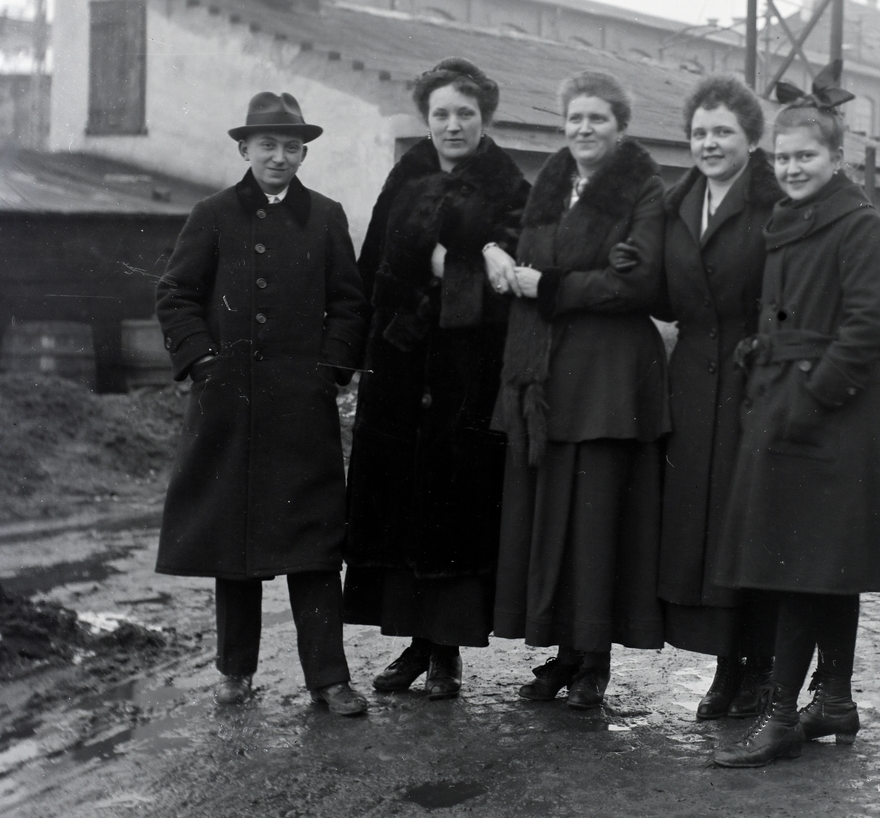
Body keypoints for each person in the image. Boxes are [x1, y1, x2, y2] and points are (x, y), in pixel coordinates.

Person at [711, 65, 880, 767]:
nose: (794, 167)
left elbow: (870, 327)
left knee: (797, 563)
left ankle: (779, 716)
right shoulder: (793, 220)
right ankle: (832, 701)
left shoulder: (857, 226)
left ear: (837, 159)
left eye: (808, 156)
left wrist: (812, 393)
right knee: (825, 562)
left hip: (834, 415)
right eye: (785, 156)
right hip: (796, 401)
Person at [156, 91, 368, 714]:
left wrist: (330, 371)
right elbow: (175, 293)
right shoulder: (213, 214)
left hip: (302, 410)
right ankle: (234, 672)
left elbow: (351, 302)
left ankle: (329, 679)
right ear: (244, 149)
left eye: (292, 146)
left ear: (304, 152)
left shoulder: (327, 217)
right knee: (236, 543)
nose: (280, 156)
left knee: (313, 544)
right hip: (229, 406)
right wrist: (202, 362)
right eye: (268, 145)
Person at [343, 58, 530, 700]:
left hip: (466, 374)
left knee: (455, 508)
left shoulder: (508, 185)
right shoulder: (408, 173)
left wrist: (446, 265)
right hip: (398, 370)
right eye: (441, 114)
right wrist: (428, 258)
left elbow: (511, 280)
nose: (453, 125)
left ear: (485, 119)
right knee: (400, 508)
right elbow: (373, 269)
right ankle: (414, 644)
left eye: (465, 114)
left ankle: (446, 651)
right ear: (427, 119)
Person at [491, 71, 669, 708]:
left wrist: (554, 287)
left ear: (620, 127)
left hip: (611, 378)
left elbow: (638, 283)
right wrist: (493, 251)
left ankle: (594, 659)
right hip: (551, 370)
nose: (584, 130)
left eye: (597, 119)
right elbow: (511, 243)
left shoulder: (645, 189)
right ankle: (564, 652)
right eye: (575, 120)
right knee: (554, 513)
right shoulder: (550, 183)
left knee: (596, 521)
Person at [655, 76, 783, 719]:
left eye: (723, 132)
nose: (709, 143)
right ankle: (726, 667)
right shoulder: (677, 204)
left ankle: (760, 667)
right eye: (700, 132)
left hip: (751, 381)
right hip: (692, 387)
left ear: (751, 139)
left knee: (750, 523)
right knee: (704, 531)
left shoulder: (773, 204)